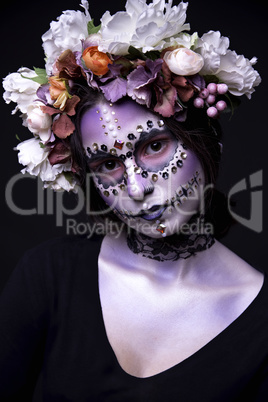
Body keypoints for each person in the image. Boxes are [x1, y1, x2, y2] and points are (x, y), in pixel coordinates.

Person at [1, 1, 267, 400]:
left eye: (155, 146)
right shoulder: (49, 275)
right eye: (108, 163)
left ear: (206, 143)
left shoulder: (260, 321)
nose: (137, 188)